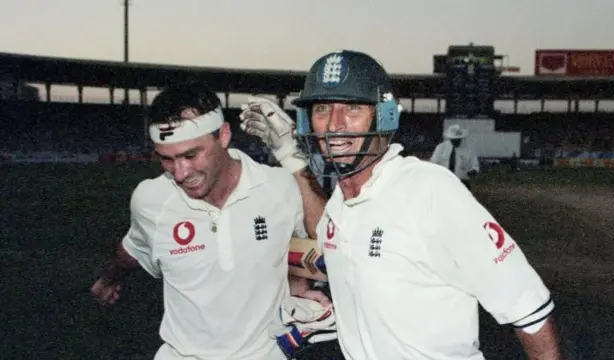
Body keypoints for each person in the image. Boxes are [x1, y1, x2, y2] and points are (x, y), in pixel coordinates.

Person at [240, 50, 562, 360]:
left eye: (352, 108)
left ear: (385, 116)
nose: (334, 124)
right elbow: (325, 231)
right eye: (322, 108)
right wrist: (290, 156)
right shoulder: (341, 200)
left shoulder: (430, 190)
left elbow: (527, 307)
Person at [90, 81, 332, 360]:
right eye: (166, 159)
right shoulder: (151, 200)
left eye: (191, 155)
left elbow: (328, 235)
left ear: (224, 135)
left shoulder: (278, 187)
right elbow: (132, 249)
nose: (180, 173)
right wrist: (108, 279)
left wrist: (293, 157)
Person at [429, 124, 480, 190]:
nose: (456, 141)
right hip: (444, 181)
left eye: (458, 139)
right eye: (453, 140)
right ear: (450, 138)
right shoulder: (441, 148)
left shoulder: (469, 149)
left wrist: (473, 171)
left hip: (462, 182)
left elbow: (475, 165)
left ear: (461, 138)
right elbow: (433, 163)